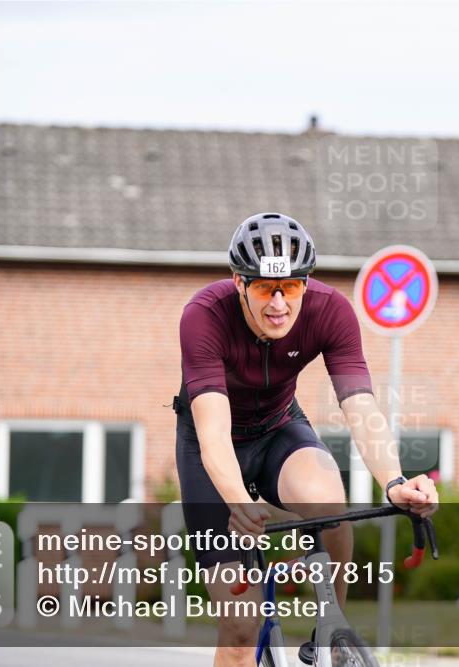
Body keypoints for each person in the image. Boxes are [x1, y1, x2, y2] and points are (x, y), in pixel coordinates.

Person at [175, 212, 439, 667]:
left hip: (278, 428)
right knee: (240, 626)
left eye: (291, 287)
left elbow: (360, 407)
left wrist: (394, 481)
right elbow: (214, 432)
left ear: (305, 284)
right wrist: (239, 501)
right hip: (211, 448)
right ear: (239, 282)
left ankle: (329, 628)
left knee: (328, 501)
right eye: (263, 288)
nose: (279, 303)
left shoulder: (330, 311)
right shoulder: (204, 316)